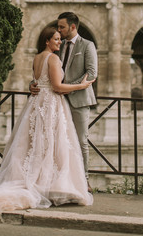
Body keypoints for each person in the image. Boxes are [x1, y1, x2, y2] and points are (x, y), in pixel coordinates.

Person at [0, 26, 94, 213]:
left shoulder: (37, 58)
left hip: (36, 102)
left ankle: (37, 178)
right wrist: (80, 85)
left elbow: (38, 81)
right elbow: (57, 86)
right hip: (51, 103)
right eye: (56, 39)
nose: (60, 42)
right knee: (52, 141)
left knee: (33, 143)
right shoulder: (54, 59)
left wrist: (34, 86)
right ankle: (49, 183)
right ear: (47, 41)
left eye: (60, 39)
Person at [30, 11, 98, 192]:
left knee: (81, 141)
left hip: (77, 100)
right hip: (56, 100)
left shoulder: (87, 45)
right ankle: (60, 178)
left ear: (73, 27)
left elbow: (91, 73)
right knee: (58, 141)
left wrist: (64, 86)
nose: (58, 29)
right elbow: (46, 70)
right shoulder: (56, 48)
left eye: (62, 27)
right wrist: (35, 84)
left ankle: (84, 180)